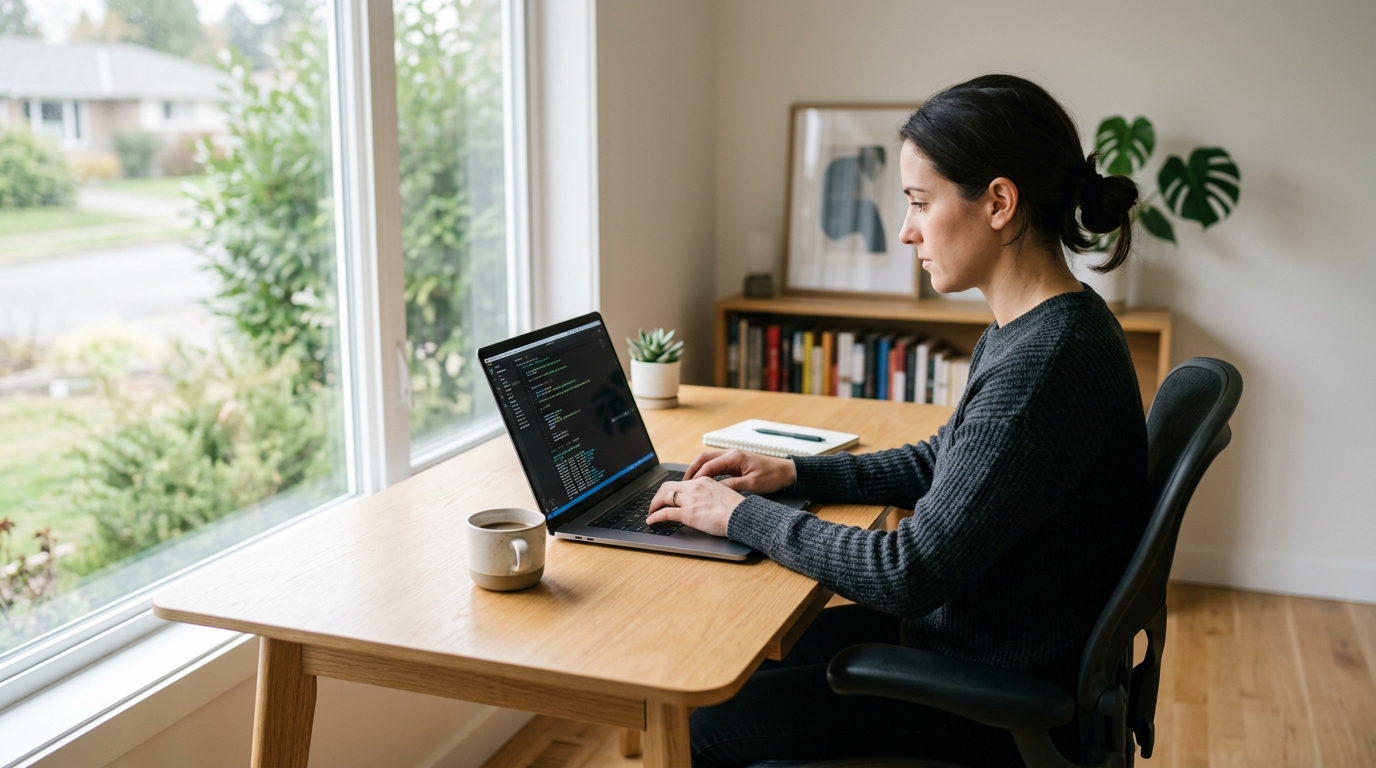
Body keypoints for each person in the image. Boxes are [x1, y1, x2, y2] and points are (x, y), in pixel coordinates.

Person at [645, 74, 1149, 768]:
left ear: (999, 202)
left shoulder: (1045, 363)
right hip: (981, 636)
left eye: (919, 201)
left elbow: (907, 570)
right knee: (727, 667)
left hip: (992, 689)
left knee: (706, 730)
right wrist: (793, 472)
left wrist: (736, 516)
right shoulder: (1044, 327)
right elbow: (945, 461)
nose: (907, 229)